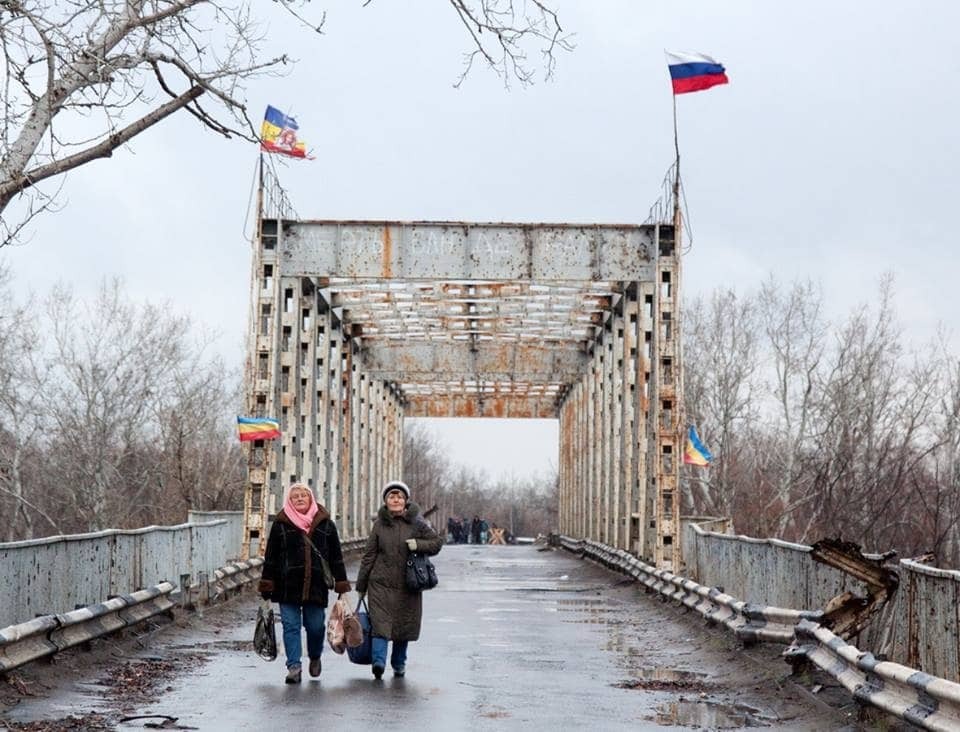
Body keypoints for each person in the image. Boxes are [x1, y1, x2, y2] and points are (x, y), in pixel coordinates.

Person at [258, 482, 351, 684]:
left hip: (316, 586)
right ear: (289, 501)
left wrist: (341, 581)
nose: (300, 499)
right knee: (291, 626)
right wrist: (267, 583)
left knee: (315, 627)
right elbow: (271, 556)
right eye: (295, 496)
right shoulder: (281, 524)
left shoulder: (326, 525)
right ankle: (294, 666)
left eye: (304, 495)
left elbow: (336, 556)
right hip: (286, 585)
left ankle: (315, 656)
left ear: (311, 498)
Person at [356, 480, 443, 680]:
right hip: (380, 584)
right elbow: (369, 555)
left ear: (406, 501)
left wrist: (418, 545)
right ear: (386, 501)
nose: (396, 500)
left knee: (403, 626)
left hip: (408, 584)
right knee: (380, 625)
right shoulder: (379, 525)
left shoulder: (417, 523)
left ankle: (399, 663)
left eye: (400, 496)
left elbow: (437, 543)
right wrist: (361, 585)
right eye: (391, 496)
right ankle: (378, 663)